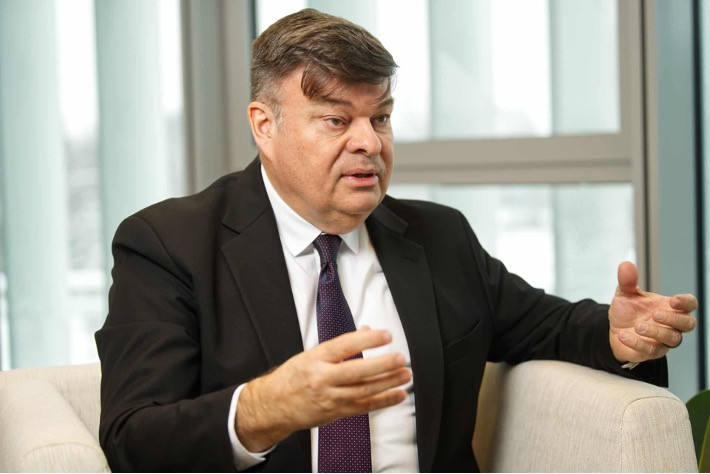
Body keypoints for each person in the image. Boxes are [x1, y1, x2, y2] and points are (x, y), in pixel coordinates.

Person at [96, 8, 697, 473]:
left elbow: (549, 327)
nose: (369, 143)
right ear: (265, 126)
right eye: (337, 120)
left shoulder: (438, 236)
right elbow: (132, 440)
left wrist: (619, 333)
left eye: (380, 118)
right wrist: (265, 407)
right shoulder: (169, 245)